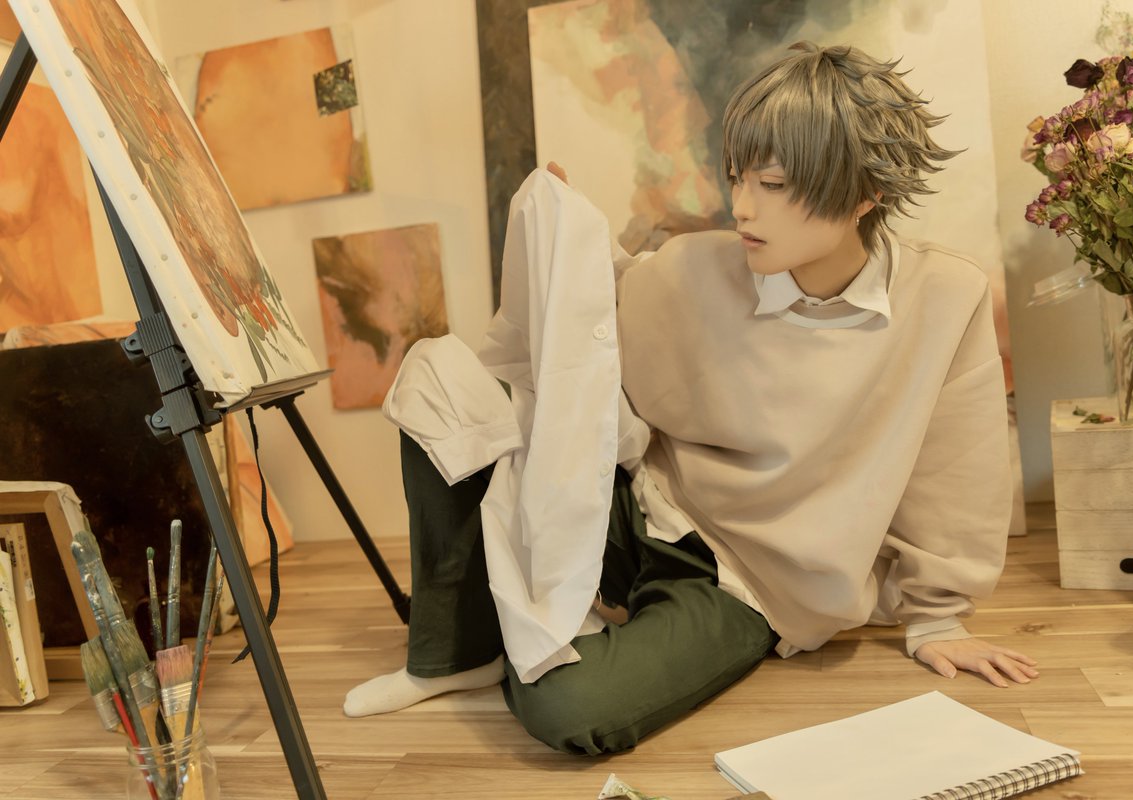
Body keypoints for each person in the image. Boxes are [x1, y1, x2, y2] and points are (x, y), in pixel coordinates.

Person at [343, 40, 1038, 755]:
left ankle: (536, 624)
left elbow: (955, 474)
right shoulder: (696, 267)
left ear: (866, 193)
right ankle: (456, 653)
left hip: (749, 585)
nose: (743, 207)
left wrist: (936, 617)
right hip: (642, 508)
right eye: (738, 176)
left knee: (570, 711)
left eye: (774, 182)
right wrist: (563, 236)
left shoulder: (944, 300)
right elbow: (590, 330)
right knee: (446, 388)